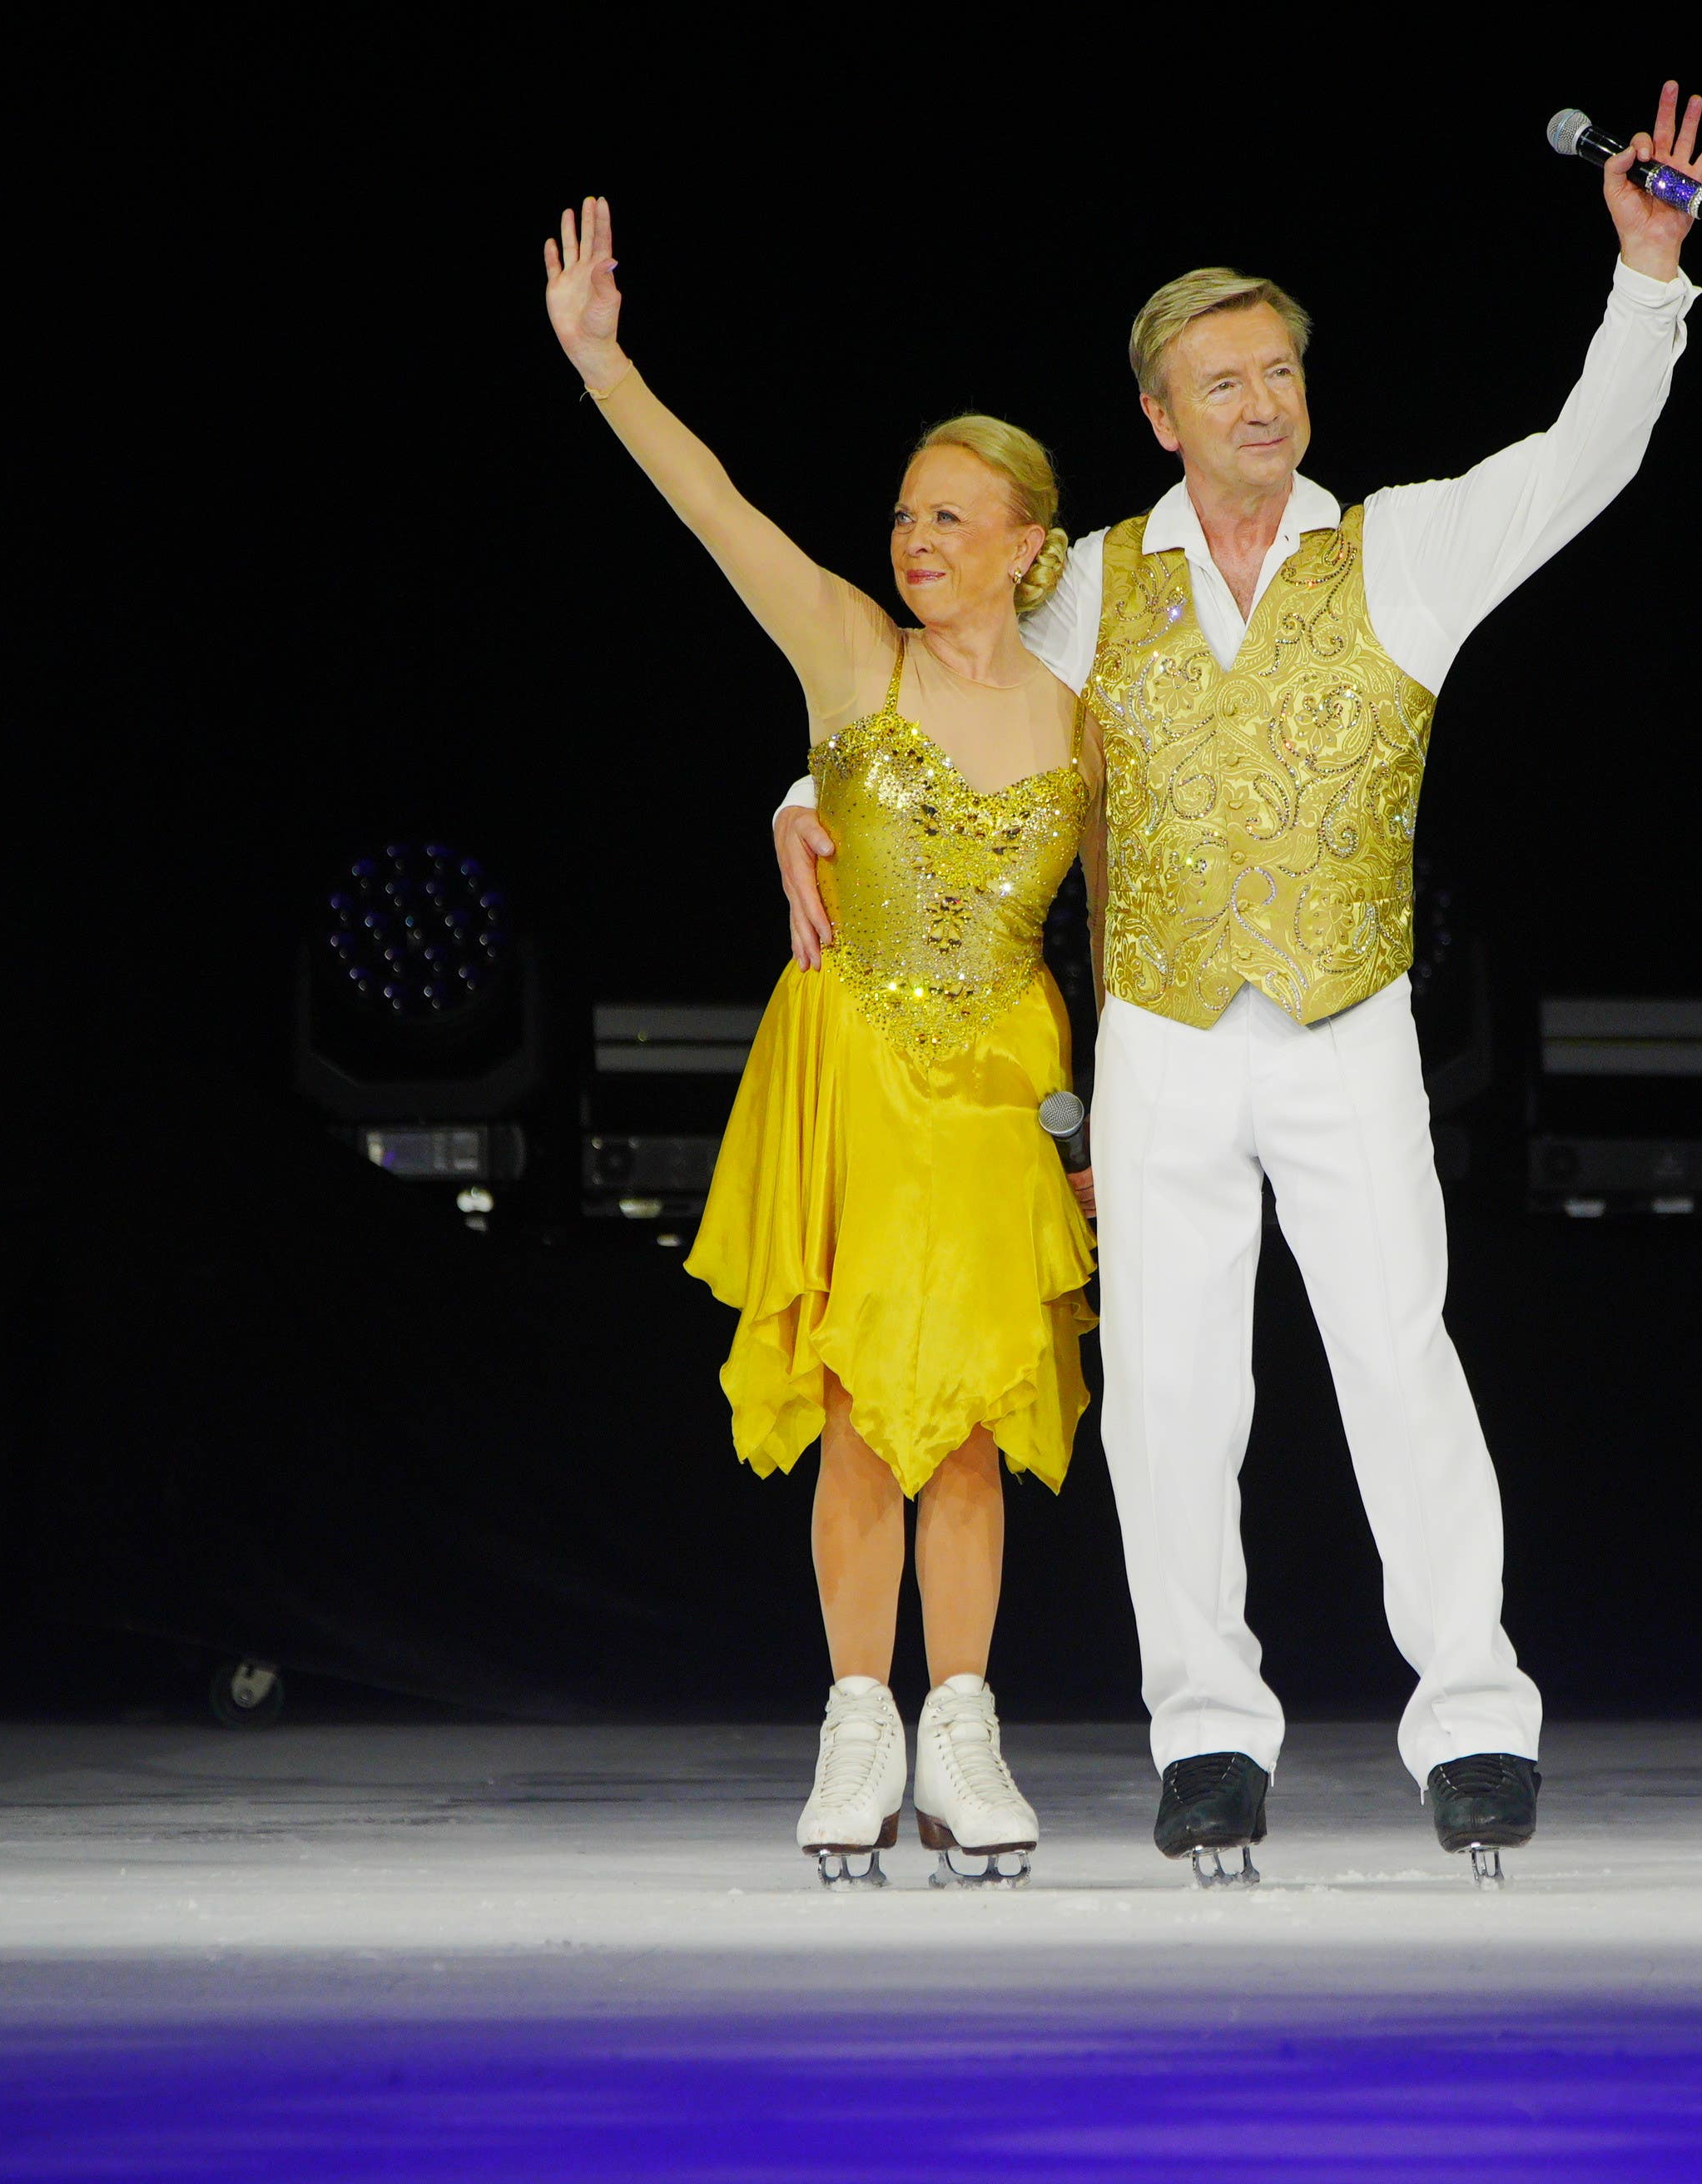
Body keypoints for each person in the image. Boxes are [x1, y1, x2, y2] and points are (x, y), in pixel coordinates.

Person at [772, 85, 1702, 1882]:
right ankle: (1207, 1734)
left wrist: (1646, 279)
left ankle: (1475, 1720)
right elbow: (926, 697)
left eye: (1280, 372)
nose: (1262, 402)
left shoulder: (1399, 553)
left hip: (1348, 1025)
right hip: (1160, 1037)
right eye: (1223, 382)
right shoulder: (1088, 590)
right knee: (1170, 1395)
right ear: (1159, 415)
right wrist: (790, 804)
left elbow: (1580, 463)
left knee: (1398, 1361)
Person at [542, 196, 1099, 1888]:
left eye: (951, 515)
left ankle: (965, 1729)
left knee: (977, 1412)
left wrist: (1098, 1129)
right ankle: (858, 1721)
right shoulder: (855, 655)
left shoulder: (1088, 726)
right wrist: (604, 365)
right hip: (856, 1065)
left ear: (1028, 542)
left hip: (1003, 1080)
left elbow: (1123, 943)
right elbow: (716, 508)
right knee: (863, 1404)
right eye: (906, 510)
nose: (916, 535)